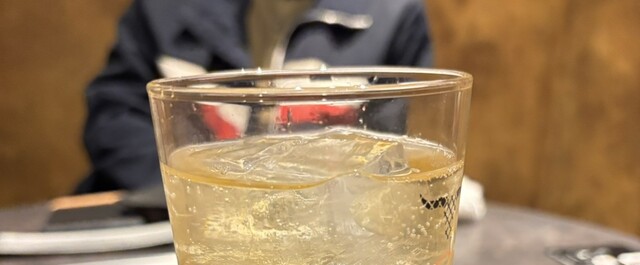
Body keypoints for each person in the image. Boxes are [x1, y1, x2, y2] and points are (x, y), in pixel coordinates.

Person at [81, 0, 433, 193]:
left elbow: (399, 149)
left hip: (327, 233)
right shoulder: (161, 11)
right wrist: (198, 197)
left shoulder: (395, 16)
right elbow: (113, 118)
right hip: (168, 229)